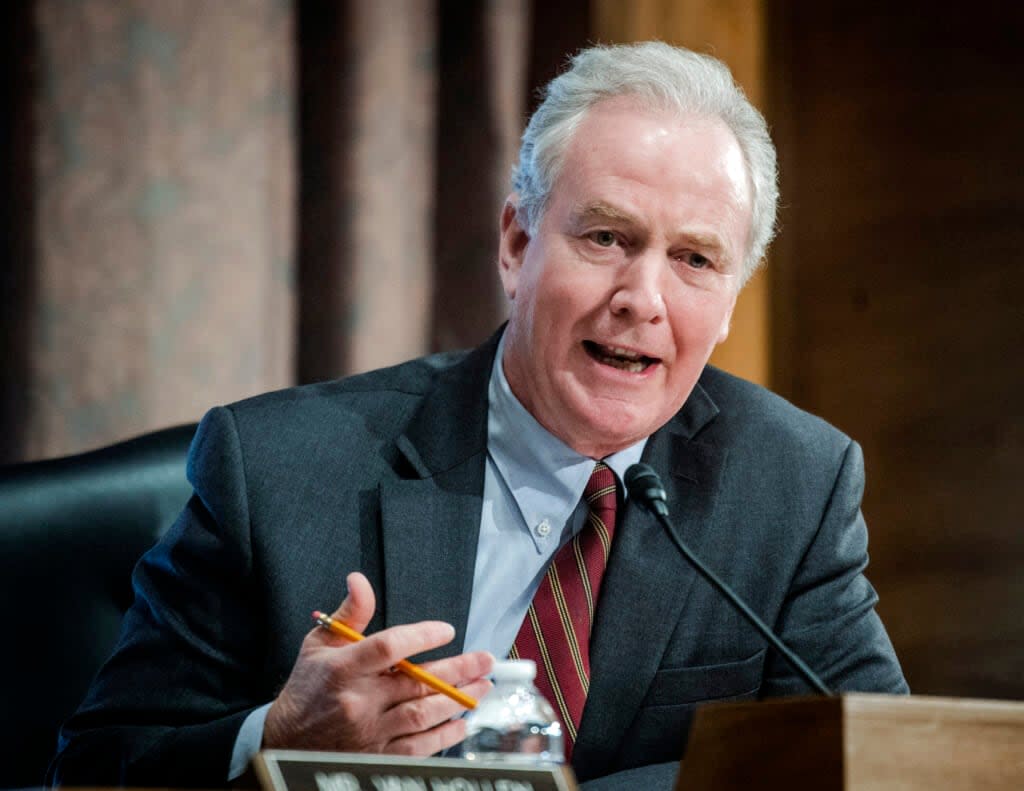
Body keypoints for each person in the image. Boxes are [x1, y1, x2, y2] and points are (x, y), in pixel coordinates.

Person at [49, 41, 907, 790]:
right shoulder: (275, 470)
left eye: (693, 258)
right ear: (516, 244)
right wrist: (275, 741)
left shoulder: (794, 485)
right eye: (605, 237)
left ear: (728, 305)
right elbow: (96, 766)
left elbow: (883, 766)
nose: (641, 299)